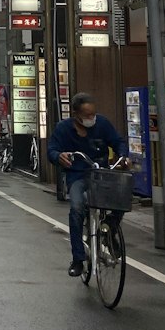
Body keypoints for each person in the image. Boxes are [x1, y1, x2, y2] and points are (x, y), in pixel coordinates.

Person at [47, 93, 127, 278]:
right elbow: (52, 150)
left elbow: (118, 142)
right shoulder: (63, 129)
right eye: (87, 115)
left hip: (101, 174)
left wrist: (123, 156)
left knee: (121, 198)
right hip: (77, 176)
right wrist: (58, 156)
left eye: (93, 114)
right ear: (75, 113)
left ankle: (109, 228)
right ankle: (77, 259)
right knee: (76, 208)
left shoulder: (103, 124)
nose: (91, 118)